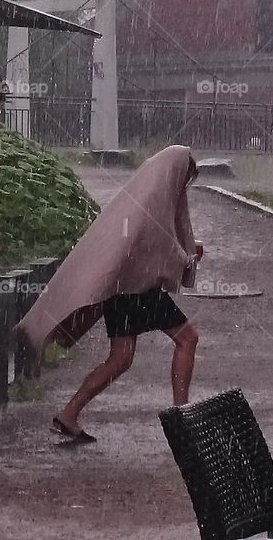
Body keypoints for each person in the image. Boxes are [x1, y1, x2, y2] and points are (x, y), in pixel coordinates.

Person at [15, 144, 202, 444]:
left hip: (123, 286)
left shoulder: (146, 191)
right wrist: (185, 259)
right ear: (175, 172)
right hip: (136, 288)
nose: (184, 186)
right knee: (187, 338)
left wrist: (187, 254)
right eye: (184, 178)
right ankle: (182, 415)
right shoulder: (153, 199)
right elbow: (156, 243)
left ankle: (69, 413)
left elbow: (159, 236)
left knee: (121, 359)